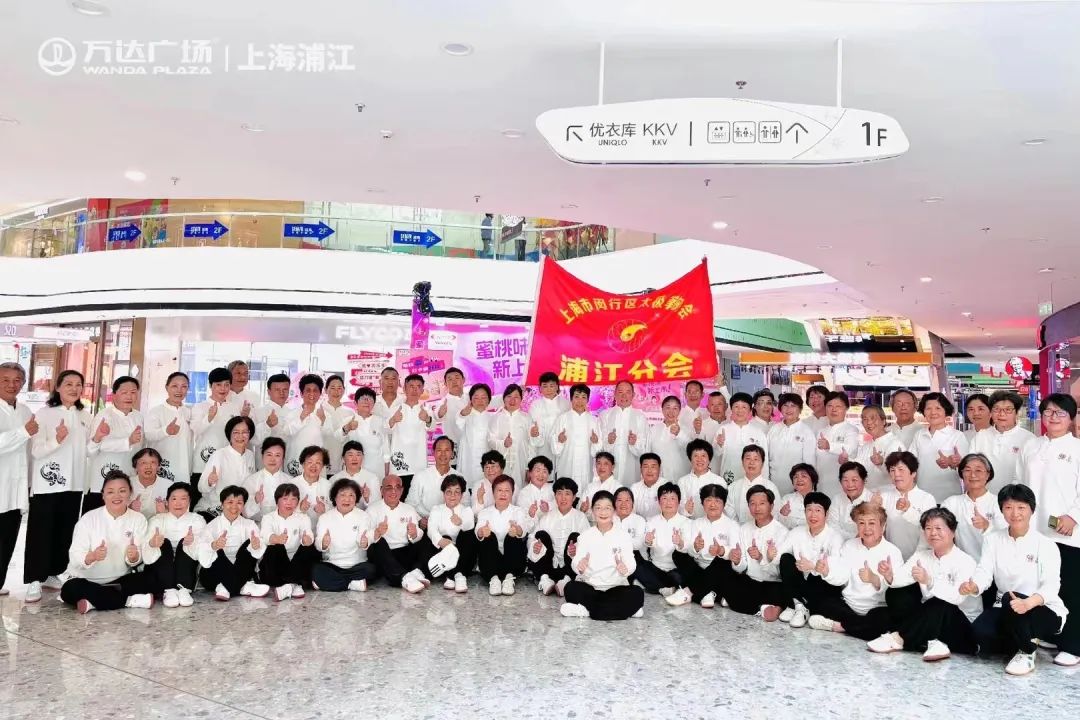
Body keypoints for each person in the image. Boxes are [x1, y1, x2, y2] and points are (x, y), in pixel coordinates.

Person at [964, 484, 1068, 676]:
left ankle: (1027, 652)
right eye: (1008, 507)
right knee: (980, 632)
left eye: (1021, 507)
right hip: (1007, 606)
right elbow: (984, 571)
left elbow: (1052, 585)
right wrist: (974, 585)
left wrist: (1028, 603)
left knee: (1009, 600)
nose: (1015, 513)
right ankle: (1025, 638)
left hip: (1042, 608)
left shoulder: (1046, 544)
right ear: (1002, 510)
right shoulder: (993, 540)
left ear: (1032, 510)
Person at [867, 507, 981, 661]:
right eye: (928, 528)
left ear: (953, 532)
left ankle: (897, 638)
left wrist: (929, 581)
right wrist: (889, 575)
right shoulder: (922, 556)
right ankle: (934, 642)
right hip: (930, 619)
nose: (933, 533)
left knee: (940, 603)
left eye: (938, 528)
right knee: (894, 597)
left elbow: (957, 598)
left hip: (960, 624)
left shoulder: (966, 561)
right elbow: (900, 579)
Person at [1019, 392, 1080, 667]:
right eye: (1048, 412)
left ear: (1071, 418)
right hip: (1035, 530)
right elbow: (1019, 483)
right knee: (1043, 584)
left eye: (1060, 413)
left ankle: (1074, 644)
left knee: (1070, 587)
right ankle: (1052, 633)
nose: (1053, 417)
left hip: (1068, 531)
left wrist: (1073, 516)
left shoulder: (1077, 449)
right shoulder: (1032, 446)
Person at [24, 369, 91, 603]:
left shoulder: (85, 416)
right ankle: (34, 579)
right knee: (41, 531)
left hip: (74, 483)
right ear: (58, 387)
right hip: (47, 484)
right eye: (68, 384)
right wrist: (57, 439)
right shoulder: (44, 414)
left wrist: (98, 439)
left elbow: (89, 451)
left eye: (78, 384)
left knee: (65, 530)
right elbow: (36, 451)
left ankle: (54, 572)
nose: (74, 388)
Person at [59, 470, 154, 613]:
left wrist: (134, 556)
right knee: (70, 589)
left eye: (122, 491)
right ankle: (128, 601)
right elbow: (75, 556)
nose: (117, 496)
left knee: (151, 579)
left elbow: (137, 559)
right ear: (103, 495)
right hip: (87, 580)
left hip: (120, 580)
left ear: (130, 493)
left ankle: (94, 603)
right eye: (110, 492)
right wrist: (92, 556)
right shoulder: (88, 519)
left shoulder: (138, 519)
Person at [810, 501, 904, 638]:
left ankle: (839, 626)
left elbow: (896, 592)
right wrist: (826, 571)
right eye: (861, 523)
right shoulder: (849, 546)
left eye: (872, 523)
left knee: (885, 619)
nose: (866, 528)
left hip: (876, 608)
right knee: (823, 601)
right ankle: (860, 626)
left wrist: (874, 579)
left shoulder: (893, 552)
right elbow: (841, 577)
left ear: (883, 526)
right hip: (848, 606)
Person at [559, 490, 644, 620]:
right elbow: (576, 562)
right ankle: (625, 611)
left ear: (614, 511)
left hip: (616, 587)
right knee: (570, 588)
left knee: (637, 592)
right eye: (598, 508)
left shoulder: (623, 536)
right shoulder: (585, 536)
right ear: (593, 511)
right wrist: (579, 566)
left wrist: (625, 568)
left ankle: (587, 610)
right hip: (590, 587)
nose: (603, 512)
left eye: (607, 508)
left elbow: (631, 563)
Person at [665, 483, 740, 609]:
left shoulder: (732, 525)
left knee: (723, 561)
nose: (712, 504)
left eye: (717, 500)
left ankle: (687, 592)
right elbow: (690, 551)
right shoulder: (696, 523)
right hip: (699, 566)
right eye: (708, 500)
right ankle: (709, 592)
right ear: (702, 503)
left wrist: (721, 551)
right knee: (678, 555)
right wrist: (695, 547)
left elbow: (736, 554)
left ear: (724, 504)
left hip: (720, 568)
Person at [776, 491, 844, 628]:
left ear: (826, 514)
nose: (813, 515)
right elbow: (778, 556)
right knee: (786, 559)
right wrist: (769, 555)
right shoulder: (796, 532)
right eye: (809, 510)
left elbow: (836, 572)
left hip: (822, 586)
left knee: (816, 578)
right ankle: (798, 605)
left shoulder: (835, 537)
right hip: (803, 582)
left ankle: (798, 604)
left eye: (818, 510)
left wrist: (813, 566)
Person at [726, 486, 790, 621]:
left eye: (762, 503)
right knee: (728, 580)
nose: (757, 508)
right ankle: (763, 609)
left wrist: (761, 558)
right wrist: (737, 561)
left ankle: (762, 606)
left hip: (773, 583)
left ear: (771, 506)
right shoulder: (744, 529)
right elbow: (742, 568)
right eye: (752, 504)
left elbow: (779, 573)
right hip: (750, 582)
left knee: (782, 592)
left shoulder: (782, 532)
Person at [197, 484, 269, 601]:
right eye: (230, 502)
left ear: (243, 505)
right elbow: (202, 554)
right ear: (222, 504)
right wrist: (214, 545)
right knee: (216, 550)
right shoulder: (211, 526)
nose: (234, 506)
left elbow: (258, 550)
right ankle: (243, 587)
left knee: (249, 544)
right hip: (214, 575)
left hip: (242, 569)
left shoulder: (249, 525)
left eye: (239, 502)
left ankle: (225, 587)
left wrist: (256, 545)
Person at [84, 375, 144, 514]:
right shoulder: (104, 416)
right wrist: (127, 441)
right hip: (102, 482)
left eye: (133, 392)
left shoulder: (138, 416)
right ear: (114, 394)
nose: (129, 396)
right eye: (124, 392)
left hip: (128, 479)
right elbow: (94, 448)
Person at [142, 482, 206, 608]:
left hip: (186, 568)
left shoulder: (197, 520)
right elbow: (146, 550)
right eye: (174, 499)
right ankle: (169, 590)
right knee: (164, 543)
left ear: (189, 501)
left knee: (186, 543)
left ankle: (184, 589)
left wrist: (193, 541)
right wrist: (152, 543)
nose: (178, 503)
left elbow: (204, 549)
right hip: (162, 568)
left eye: (183, 499)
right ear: (167, 502)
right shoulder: (157, 519)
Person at [0, 362, 34, 595]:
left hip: (17, 487)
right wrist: (23, 432)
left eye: (17, 380)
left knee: (8, 539)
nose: (12, 385)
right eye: (5, 380)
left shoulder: (25, 411)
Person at [312, 477, 376, 593]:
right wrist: (323, 543)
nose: (347, 499)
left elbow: (368, 537)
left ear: (356, 499)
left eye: (351, 495)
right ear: (335, 497)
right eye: (342, 495)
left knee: (371, 569)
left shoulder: (363, 516)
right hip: (332, 564)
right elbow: (318, 543)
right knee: (316, 569)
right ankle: (353, 583)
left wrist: (365, 541)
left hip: (357, 564)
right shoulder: (325, 517)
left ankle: (329, 583)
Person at [528, 477, 589, 596]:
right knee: (540, 535)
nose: (563, 498)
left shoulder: (580, 518)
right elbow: (532, 538)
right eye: (559, 493)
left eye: (567, 493)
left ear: (574, 497)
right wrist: (536, 547)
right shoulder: (547, 517)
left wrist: (576, 549)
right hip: (549, 566)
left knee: (575, 537)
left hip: (570, 568)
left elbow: (588, 544)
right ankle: (545, 580)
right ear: (555, 496)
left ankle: (566, 581)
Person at [366, 474, 427, 592]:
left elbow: (416, 536)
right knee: (379, 542)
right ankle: (404, 577)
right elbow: (365, 538)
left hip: (402, 552)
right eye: (389, 487)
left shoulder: (409, 509)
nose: (393, 491)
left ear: (402, 490)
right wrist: (377, 532)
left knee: (425, 540)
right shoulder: (372, 510)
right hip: (382, 554)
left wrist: (414, 534)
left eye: (397, 487)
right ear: (381, 490)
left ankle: (414, 572)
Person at [258, 482, 319, 601]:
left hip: (296, 562)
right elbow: (265, 535)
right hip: (276, 567)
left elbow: (308, 534)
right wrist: (276, 538)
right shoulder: (268, 517)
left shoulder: (303, 517)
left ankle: (289, 586)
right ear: (277, 501)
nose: (289, 503)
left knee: (309, 547)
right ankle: (295, 584)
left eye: (293, 499)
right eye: (285, 499)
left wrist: (307, 540)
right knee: (275, 547)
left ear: (297, 502)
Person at [942, 453, 1006, 562]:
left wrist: (987, 526)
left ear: (988, 475)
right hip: (961, 565)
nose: (972, 475)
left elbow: (1007, 539)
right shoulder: (951, 503)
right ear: (962, 475)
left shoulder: (999, 503)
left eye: (978, 470)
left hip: (993, 565)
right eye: (967, 470)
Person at [418, 474, 476, 592]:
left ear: (462, 495)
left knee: (467, 534)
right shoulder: (436, 509)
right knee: (443, 537)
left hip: (463, 558)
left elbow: (469, 526)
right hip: (442, 554)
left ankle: (458, 575)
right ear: (443, 494)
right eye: (449, 492)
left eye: (457, 492)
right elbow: (431, 530)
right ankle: (451, 575)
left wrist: (460, 523)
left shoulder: (466, 511)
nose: (452, 495)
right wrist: (441, 541)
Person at [875, 451, 938, 560]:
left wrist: (908, 510)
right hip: (890, 558)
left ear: (913, 473)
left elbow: (930, 529)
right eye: (892, 470)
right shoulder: (883, 497)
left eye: (901, 469)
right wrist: (873, 508)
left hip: (920, 558)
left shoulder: (927, 498)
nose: (896, 474)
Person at [475, 473, 531, 596]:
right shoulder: (485, 512)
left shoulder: (518, 511)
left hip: (513, 561)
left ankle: (509, 579)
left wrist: (517, 530)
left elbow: (524, 529)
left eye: (507, 490)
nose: (503, 494)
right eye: (499, 490)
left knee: (512, 537)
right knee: (489, 537)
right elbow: (478, 530)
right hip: (491, 561)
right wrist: (482, 531)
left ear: (512, 493)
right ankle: (493, 579)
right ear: (493, 492)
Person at [191, 367, 248, 486]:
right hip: (203, 463)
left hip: (228, 463)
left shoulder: (234, 408)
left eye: (226, 385)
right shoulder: (200, 406)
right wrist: (209, 418)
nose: (223, 388)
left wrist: (244, 417)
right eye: (218, 385)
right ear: (210, 385)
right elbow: (195, 430)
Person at [908, 392, 967, 503]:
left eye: (938, 408)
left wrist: (954, 463)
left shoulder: (957, 436)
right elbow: (910, 463)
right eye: (928, 408)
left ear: (946, 411)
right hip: (922, 497)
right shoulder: (919, 435)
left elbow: (966, 467)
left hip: (950, 497)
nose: (933, 412)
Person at [972, 390, 1034, 493]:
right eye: (996, 409)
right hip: (985, 497)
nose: (1001, 414)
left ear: (1017, 413)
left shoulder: (1029, 439)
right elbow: (971, 467)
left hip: (1016, 498)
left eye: (1008, 410)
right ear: (991, 413)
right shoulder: (980, 437)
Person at [195, 416, 257, 520]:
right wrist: (209, 481)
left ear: (250, 434)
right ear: (229, 434)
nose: (240, 436)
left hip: (237, 511)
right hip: (213, 509)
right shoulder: (219, 455)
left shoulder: (250, 455)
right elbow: (201, 487)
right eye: (236, 432)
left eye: (244, 432)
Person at [636, 482, 692, 595]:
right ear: (659, 501)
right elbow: (647, 544)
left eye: (672, 498)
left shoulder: (686, 522)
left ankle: (656, 587)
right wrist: (648, 541)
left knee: (677, 577)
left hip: (676, 569)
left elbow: (689, 548)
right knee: (638, 566)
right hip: (656, 567)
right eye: (664, 498)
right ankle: (664, 588)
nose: (668, 502)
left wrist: (680, 542)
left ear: (678, 502)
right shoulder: (651, 521)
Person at [387, 373, 434, 498]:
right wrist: (393, 420)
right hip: (399, 463)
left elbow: (433, 426)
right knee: (398, 497)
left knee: (417, 497)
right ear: (404, 389)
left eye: (418, 387)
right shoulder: (395, 409)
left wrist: (427, 419)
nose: (414, 390)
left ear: (422, 390)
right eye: (411, 386)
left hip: (419, 461)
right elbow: (385, 429)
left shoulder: (426, 410)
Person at [143, 371, 193, 489]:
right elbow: (149, 435)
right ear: (167, 387)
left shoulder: (189, 412)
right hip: (163, 466)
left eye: (184, 386)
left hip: (184, 467)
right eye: (175, 386)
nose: (179, 390)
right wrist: (166, 431)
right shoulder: (156, 412)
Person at [599, 380, 648, 487]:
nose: (624, 396)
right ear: (615, 394)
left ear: (633, 395)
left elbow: (644, 448)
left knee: (628, 492)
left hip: (631, 467)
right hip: (609, 466)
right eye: (620, 392)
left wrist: (634, 443)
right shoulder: (605, 415)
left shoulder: (640, 417)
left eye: (628, 392)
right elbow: (598, 446)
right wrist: (609, 441)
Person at [813, 391, 861, 498]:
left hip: (842, 487)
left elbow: (850, 449)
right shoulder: (821, 431)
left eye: (838, 406)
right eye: (829, 406)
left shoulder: (851, 430)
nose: (833, 409)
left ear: (846, 408)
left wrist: (829, 446)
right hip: (821, 485)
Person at [766, 393, 816, 495]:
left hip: (797, 486)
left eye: (793, 406)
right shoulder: (774, 429)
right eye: (785, 405)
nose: (789, 409)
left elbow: (809, 464)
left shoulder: (806, 432)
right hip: (773, 483)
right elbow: (766, 458)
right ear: (780, 408)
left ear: (800, 409)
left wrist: (806, 488)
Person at [716, 392, 769, 486]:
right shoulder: (723, 430)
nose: (740, 410)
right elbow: (715, 455)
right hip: (729, 478)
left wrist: (763, 482)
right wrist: (719, 445)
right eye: (736, 406)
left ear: (750, 410)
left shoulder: (758, 432)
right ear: (731, 409)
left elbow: (764, 460)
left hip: (752, 481)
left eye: (744, 407)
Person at [487, 384, 533, 486]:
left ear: (521, 399)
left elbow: (531, 445)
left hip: (521, 463)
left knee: (520, 489)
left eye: (516, 397)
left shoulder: (527, 418)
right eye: (509, 396)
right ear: (504, 399)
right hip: (501, 463)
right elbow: (490, 440)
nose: (512, 400)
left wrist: (529, 467)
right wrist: (503, 443)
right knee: (502, 488)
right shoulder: (496, 418)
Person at [341, 387, 390, 478]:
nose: (367, 401)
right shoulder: (348, 420)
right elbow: (338, 438)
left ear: (374, 403)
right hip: (353, 473)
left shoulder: (380, 421)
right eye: (363, 398)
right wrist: (347, 427)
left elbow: (386, 450)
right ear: (355, 403)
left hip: (377, 471)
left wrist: (386, 475)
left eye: (370, 398)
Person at [725, 445, 780, 525]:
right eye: (748, 458)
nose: (751, 462)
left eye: (756, 459)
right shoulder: (733, 487)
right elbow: (729, 512)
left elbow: (776, 513)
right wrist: (741, 529)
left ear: (762, 463)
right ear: (742, 462)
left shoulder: (771, 487)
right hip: (738, 530)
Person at [528, 372, 570, 476]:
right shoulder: (535, 405)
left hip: (562, 445)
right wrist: (533, 433)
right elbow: (531, 425)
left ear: (557, 386)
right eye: (545, 386)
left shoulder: (566, 404)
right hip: (543, 446)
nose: (548, 389)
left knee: (562, 474)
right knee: (545, 474)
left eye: (552, 385)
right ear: (540, 388)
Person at [251, 373, 295, 471]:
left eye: (285, 389)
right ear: (269, 392)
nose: (282, 393)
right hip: (265, 465)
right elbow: (253, 440)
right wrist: (267, 425)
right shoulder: (258, 412)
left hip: (287, 465)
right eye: (277, 390)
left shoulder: (293, 413)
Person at [855, 405, 905, 491]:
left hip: (888, 495)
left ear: (883, 421)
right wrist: (845, 460)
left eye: (873, 418)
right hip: (867, 495)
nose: (869, 422)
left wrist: (881, 463)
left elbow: (902, 474)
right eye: (865, 419)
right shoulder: (865, 446)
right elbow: (856, 468)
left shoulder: (895, 444)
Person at [242, 437, 292, 523]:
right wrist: (256, 500)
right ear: (262, 456)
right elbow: (244, 513)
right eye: (269, 454)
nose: (272, 459)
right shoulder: (251, 481)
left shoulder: (290, 482)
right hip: (258, 527)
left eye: (277, 455)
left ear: (283, 458)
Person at [455, 383, 495, 490]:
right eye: (476, 398)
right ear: (471, 400)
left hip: (487, 464)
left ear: (489, 400)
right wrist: (463, 414)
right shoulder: (464, 415)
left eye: (483, 397)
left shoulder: (493, 418)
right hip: (469, 462)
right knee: (467, 489)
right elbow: (458, 424)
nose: (480, 401)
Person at [406, 435, 456, 519]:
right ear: (433, 453)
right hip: (425, 521)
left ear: (452, 453)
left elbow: (465, 504)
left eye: (447, 450)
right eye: (439, 450)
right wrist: (419, 520)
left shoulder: (459, 477)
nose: (443, 454)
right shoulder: (420, 476)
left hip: (451, 522)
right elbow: (409, 504)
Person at [289, 374, 329, 477]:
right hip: (297, 460)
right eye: (308, 390)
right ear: (301, 393)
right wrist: (301, 418)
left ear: (320, 393)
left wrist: (323, 420)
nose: (312, 393)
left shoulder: (325, 414)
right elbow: (287, 432)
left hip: (317, 463)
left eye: (315, 390)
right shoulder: (292, 413)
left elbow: (329, 436)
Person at [646, 395, 692, 481]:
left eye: (675, 408)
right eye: (668, 407)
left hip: (680, 478)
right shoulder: (653, 430)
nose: (671, 412)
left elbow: (691, 450)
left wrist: (679, 434)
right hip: (658, 478)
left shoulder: (686, 430)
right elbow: (647, 453)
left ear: (679, 411)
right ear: (662, 409)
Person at [827, 461, 874, 540]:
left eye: (854, 480)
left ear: (864, 480)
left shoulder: (872, 500)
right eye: (845, 480)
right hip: (838, 542)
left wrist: (854, 540)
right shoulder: (837, 499)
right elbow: (832, 526)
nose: (850, 485)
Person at [329, 440, 381, 510]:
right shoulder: (334, 479)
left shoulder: (372, 478)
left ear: (363, 457)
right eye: (350, 455)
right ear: (343, 458)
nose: (354, 458)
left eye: (358, 455)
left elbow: (377, 507)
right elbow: (331, 505)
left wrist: (367, 499)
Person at [678, 439, 722, 519]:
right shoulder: (682, 481)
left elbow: (723, 509)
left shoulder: (719, 481)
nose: (699, 459)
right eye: (696, 456)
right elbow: (679, 509)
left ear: (709, 459)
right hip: (689, 523)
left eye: (703, 456)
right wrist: (686, 510)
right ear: (690, 459)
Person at [128, 448, 170, 519]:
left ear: (159, 467)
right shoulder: (126, 484)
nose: (148, 467)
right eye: (143, 463)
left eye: (153, 462)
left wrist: (166, 511)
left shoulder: (169, 486)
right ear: (135, 467)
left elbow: (178, 514)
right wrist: (130, 508)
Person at [295, 445, 332, 525]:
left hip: (322, 530)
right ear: (303, 464)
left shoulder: (329, 486)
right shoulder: (292, 484)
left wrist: (325, 509)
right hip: (297, 530)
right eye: (310, 462)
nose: (314, 466)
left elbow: (336, 510)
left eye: (318, 463)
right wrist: (299, 508)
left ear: (323, 466)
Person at [321, 375, 351, 474]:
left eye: (339, 388)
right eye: (332, 388)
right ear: (326, 390)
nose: (336, 391)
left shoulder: (350, 413)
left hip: (341, 460)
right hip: (321, 459)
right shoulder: (319, 409)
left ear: (344, 390)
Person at [514, 455, 556, 523]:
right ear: (530, 473)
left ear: (548, 474)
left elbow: (561, 505)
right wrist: (530, 514)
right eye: (538, 470)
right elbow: (520, 518)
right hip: (533, 528)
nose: (541, 475)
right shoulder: (523, 493)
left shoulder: (554, 489)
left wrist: (549, 506)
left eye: (544, 471)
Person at [695, 391, 729, 474]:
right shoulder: (701, 425)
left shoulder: (731, 424)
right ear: (707, 407)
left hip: (729, 471)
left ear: (726, 406)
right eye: (712, 405)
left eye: (719, 404)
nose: (716, 408)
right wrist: (697, 431)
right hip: (710, 471)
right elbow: (697, 449)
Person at [776, 463, 817, 530]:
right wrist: (782, 515)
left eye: (804, 476)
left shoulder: (821, 500)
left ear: (813, 480)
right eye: (795, 477)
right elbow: (777, 524)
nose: (799, 479)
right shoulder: (786, 499)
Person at [435, 366, 468, 447]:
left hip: (472, 444)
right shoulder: (443, 402)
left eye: (457, 378)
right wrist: (440, 413)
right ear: (445, 384)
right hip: (453, 446)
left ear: (463, 380)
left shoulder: (472, 398)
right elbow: (437, 416)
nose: (454, 381)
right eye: (450, 379)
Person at [580, 452, 620, 516]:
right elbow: (580, 508)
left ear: (613, 467)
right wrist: (582, 509)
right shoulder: (590, 487)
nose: (602, 467)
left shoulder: (618, 488)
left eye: (606, 464)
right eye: (599, 463)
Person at [630, 453, 665, 519]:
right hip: (639, 523)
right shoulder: (635, 488)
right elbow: (631, 512)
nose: (649, 470)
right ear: (641, 469)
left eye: (653, 467)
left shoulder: (667, 487)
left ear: (659, 469)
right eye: (646, 467)